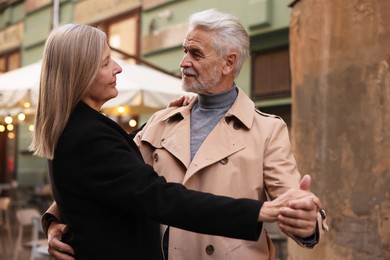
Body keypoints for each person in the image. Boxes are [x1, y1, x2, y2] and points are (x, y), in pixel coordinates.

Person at [31, 23, 321, 260]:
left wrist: (308, 225)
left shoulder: (267, 130)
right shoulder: (160, 121)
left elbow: (294, 205)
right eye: (184, 51)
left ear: (228, 62)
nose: (183, 62)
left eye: (195, 53)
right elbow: (110, 177)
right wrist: (56, 220)